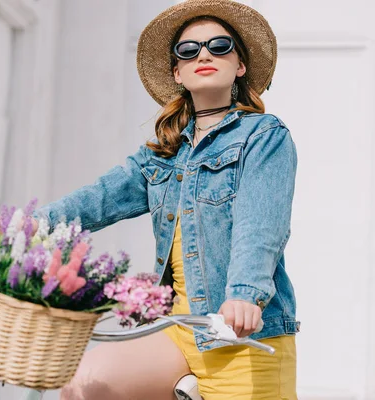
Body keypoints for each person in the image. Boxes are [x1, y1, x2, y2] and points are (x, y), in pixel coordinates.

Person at [32, 1, 299, 398]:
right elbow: (97, 199)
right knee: (84, 386)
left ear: (240, 65)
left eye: (219, 46)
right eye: (188, 50)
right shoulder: (162, 154)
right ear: (177, 71)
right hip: (179, 329)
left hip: (239, 333)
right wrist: (20, 229)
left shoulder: (263, 136)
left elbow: (259, 226)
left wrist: (244, 294)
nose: (204, 54)